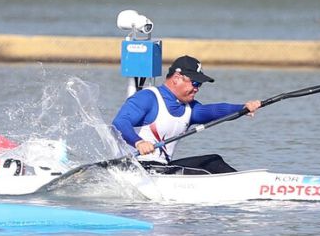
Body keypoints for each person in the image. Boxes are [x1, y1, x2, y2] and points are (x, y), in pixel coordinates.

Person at [112, 55, 261, 175]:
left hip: (162, 169)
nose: (197, 89)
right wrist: (138, 142)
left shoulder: (190, 108)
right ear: (177, 78)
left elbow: (214, 111)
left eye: (199, 85)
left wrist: (243, 108)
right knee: (202, 173)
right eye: (194, 83)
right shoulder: (148, 98)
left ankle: (247, 185)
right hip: (136, 169)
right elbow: (120, 122)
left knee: (213, 161)